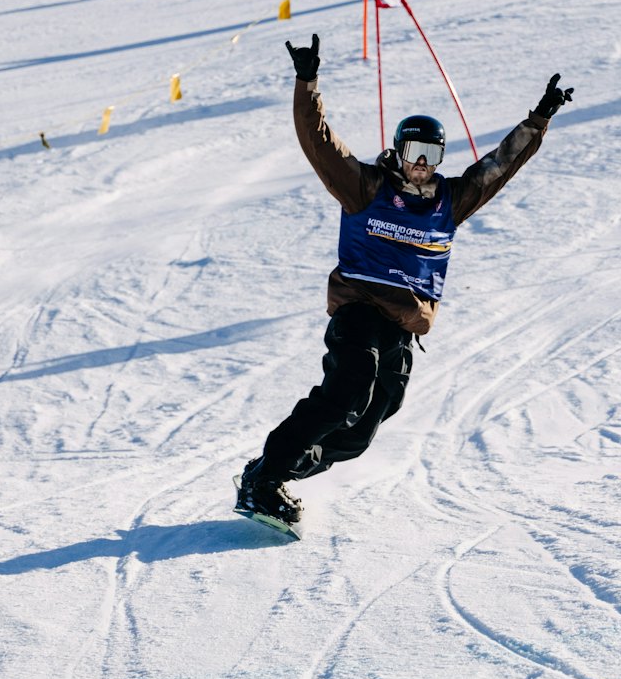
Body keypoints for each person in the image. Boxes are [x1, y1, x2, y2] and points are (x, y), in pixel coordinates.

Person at [236, 38, 573, 527]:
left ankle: (274, 470)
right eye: (414, 149)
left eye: (431, 151)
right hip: (359, 309)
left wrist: (537, 120)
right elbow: (319, 142)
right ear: (399, 148)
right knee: (348, 391)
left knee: (363, 428)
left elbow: (499, 167)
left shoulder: (450, 201)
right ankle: (264, 480)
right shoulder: (367, 187)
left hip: (404, 325)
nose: (421, 160)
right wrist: (307, 82)